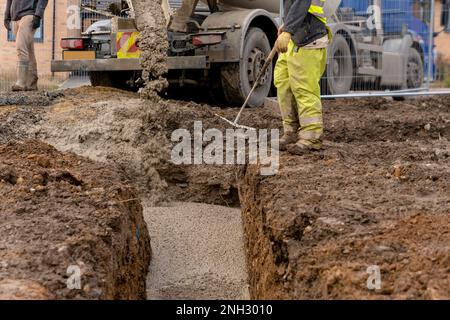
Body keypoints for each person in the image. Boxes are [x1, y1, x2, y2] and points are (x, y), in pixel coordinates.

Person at [274, 0, 329, 155]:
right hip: (296, 36)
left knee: (304, 89)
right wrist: (287, 25)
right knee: (283, 84)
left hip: (308, 38)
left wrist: (288, 29)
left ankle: (311, 137)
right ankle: (291, 132)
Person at [4, 0, 48, 91]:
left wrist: (38, 15)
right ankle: (32, 84)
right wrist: (6, 16)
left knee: (21, 47)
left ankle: (21, 82)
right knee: (28, 50)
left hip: (29, 14)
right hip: (15, 17)